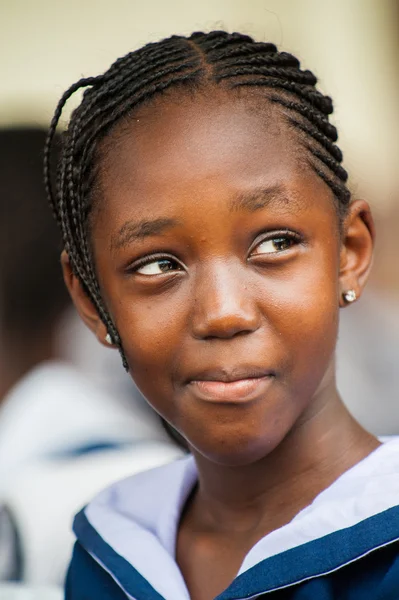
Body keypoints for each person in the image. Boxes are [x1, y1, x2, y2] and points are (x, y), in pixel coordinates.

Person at [44, 31, 399, 600]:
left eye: (275, 243)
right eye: (158, 264)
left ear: (349, 254)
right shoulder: (105, 559)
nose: (223, 313)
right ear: (92, 300)